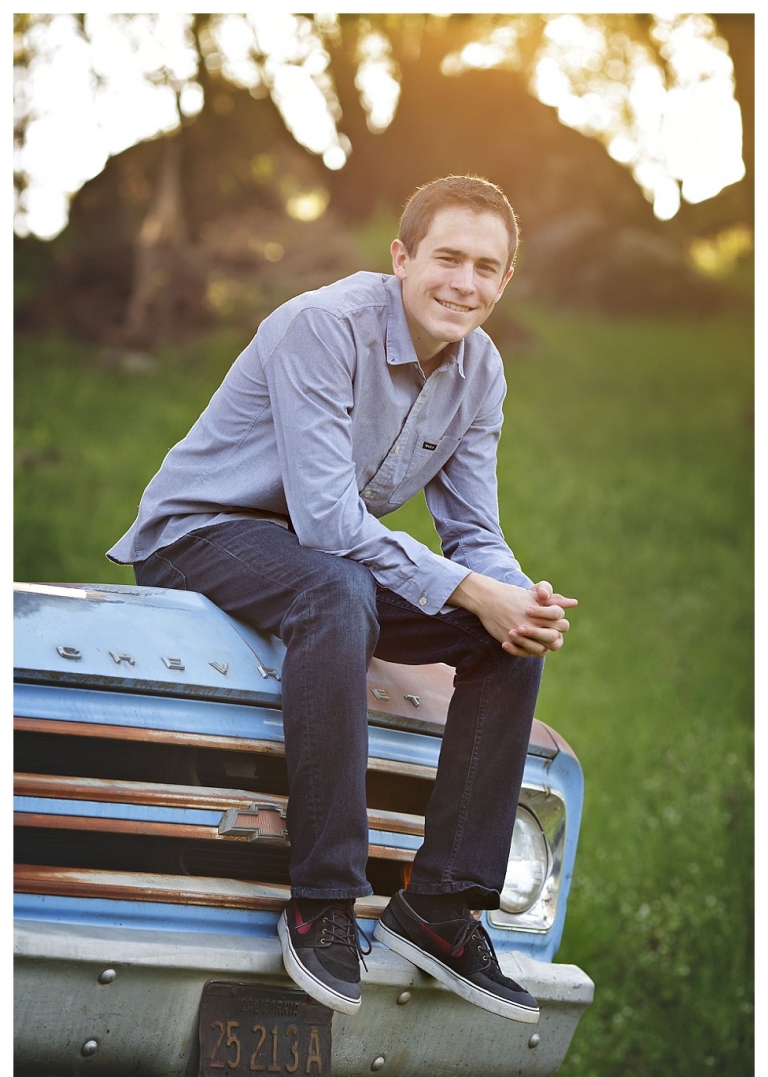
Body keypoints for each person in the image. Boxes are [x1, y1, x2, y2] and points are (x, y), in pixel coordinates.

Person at [107, 174, 577, 1024]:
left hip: (324, 558)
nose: (462, 282)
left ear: (504, 282)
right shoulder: (321, 327)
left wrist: (515, 598)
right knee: (339, 584)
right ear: (401, 257)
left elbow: (473, 530)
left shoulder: (481, 370)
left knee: (496, 637)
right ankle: (323, 900)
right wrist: (473, 589)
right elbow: (327, 523)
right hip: (203, 534)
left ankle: (441, 905)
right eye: (446, 258)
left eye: (484, 267)